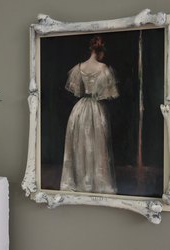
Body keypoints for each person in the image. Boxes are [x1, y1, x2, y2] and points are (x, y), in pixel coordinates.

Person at [60, 35, 119, 194]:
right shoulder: (103, 69)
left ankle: (84, 182)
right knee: (95, 145)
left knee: (82, 144)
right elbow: (109, 94)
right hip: (95, 109)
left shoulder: (79, 67)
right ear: (101, 52)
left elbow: (77, 91)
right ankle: (93, 183)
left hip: (79, 110)